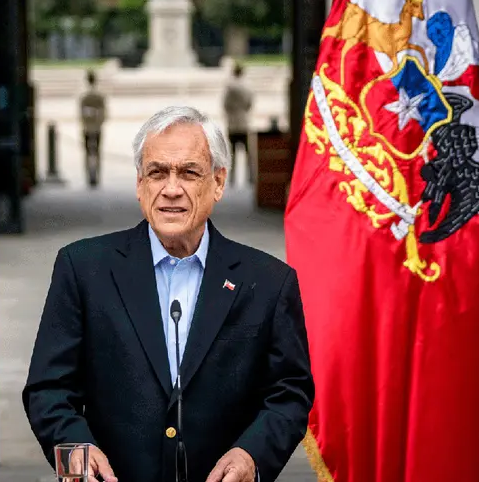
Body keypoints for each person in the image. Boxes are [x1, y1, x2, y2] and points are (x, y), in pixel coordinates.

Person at [24, 106, 314, 482]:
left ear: (219, 182)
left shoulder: (270, 282)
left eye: (189, 173)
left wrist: (251, 456)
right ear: (139, 184)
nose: (171, 189)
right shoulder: (83, 269)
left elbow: (289, 394)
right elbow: (49, 389)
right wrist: (75, 450)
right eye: (157, 172)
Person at [223, 64, 254, 186]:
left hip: (232, 124)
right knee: (248, 153)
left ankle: (232, 178)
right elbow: (249, 103)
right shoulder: (247, 87)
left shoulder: (229, 88)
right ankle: (251, 177)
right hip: (244, 123)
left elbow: (225, 105)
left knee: (233, 153)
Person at [80, 70, 106, 187]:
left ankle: (88, 175)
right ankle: (97, 175)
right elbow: (103, 113)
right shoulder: (99, 95)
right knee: (97, 152)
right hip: (97, 127)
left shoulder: (84, 96)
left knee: (87, 152)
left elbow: (81, 114)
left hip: (87, 127)